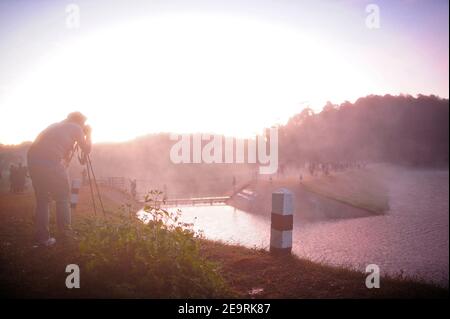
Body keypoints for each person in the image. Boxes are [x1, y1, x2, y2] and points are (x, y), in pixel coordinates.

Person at [27, 112, 92, 246]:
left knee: (43, 200)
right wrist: (89, 134)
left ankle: (43, 238)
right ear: (80, 121)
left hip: (33, 161)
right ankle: (65, 233)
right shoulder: (76, 128)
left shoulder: (55, 126)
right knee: (63, 198)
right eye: (83, 123)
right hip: (51, 161)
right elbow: (86, 149)